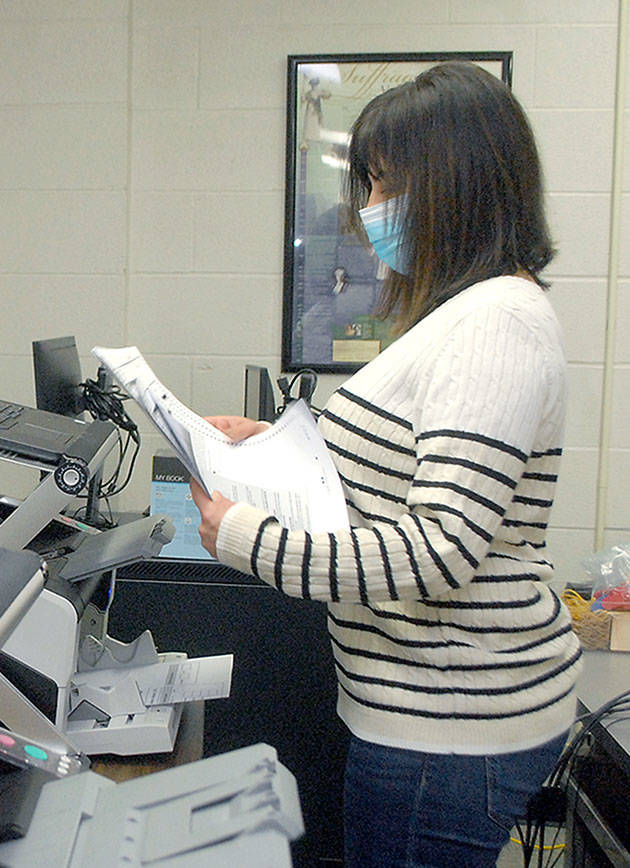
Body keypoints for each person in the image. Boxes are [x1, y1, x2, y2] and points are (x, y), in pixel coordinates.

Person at [188, 62, 582, 868]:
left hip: (448, 728)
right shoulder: (463, 315)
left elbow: (438, 547)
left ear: (454, 184)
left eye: (382, 184)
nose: (368, 211)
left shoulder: (495, 323)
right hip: (424, 714)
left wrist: (246, 537)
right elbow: (402, 469)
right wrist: (269, 445)